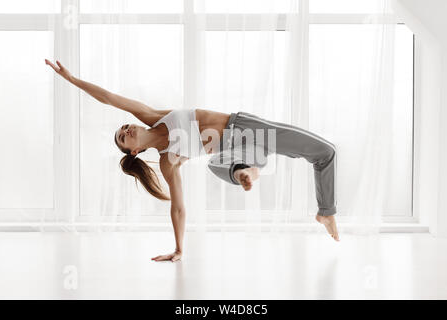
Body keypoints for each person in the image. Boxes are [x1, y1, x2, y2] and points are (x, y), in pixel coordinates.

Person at [45, 59, 339, 262]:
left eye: (124, 128)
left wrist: (72, 79)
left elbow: (110, 97)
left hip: (247, 127)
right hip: (232, 155)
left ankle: (325, 211)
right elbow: (178, 206)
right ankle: (245, 172)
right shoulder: (167, 162)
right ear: (134, 151)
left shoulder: (153, 117)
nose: (127, 130)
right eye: (124, 137)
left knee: (326, 152)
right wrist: (178, 248)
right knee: (217, 164)